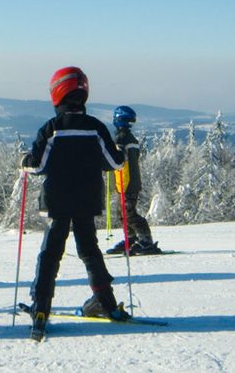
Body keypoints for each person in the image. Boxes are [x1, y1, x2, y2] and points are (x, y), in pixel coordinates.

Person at [20, 67, 131, 338]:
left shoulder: (52, 128)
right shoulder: (95, 128)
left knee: (50, 254)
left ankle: (41, 308)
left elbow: (38, 165)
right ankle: (106, 304)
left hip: (57, 202)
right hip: (87, 201)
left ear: (58, 92)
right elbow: (115, 162)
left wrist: (24, 162)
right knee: (90, 251)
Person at [106, 106, 163, 255]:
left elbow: (117, 159)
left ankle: (146, 240)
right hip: (125, 181)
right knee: (122, 212)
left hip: (127, 182)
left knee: (128, 213)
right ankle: (132, 238)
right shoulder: (128, 138)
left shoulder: (121, 139)